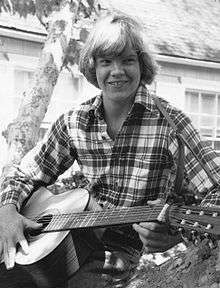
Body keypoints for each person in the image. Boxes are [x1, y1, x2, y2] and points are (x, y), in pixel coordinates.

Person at [1, 11, 220, 288]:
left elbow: (217, 189)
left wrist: (176, 233)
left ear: (142, 65)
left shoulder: (170, 124)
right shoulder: (75, 121)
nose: (117, 71)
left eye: (128, 60)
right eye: (106, 61)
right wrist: (7, 211)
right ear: (94, 67)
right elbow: (24, 174)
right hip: (67, 234)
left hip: (118, 249)